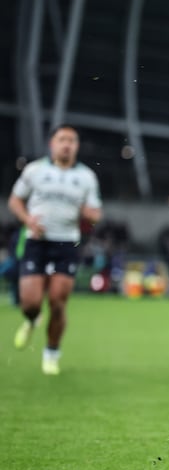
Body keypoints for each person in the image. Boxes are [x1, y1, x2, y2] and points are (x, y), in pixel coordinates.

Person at [8, 124, 102, 375]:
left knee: (58, 302)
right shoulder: (35, 170)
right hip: (36, 242)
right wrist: (28, 220)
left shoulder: (86, 177)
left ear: (77, 146)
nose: (67, 144)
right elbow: (15, 200)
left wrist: (89, 214)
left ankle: (51, 353)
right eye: (62, 139)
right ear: (52, 144)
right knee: (30, 303)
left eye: (72, 140)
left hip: (66, 243)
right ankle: (31, 319)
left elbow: (95, 214)